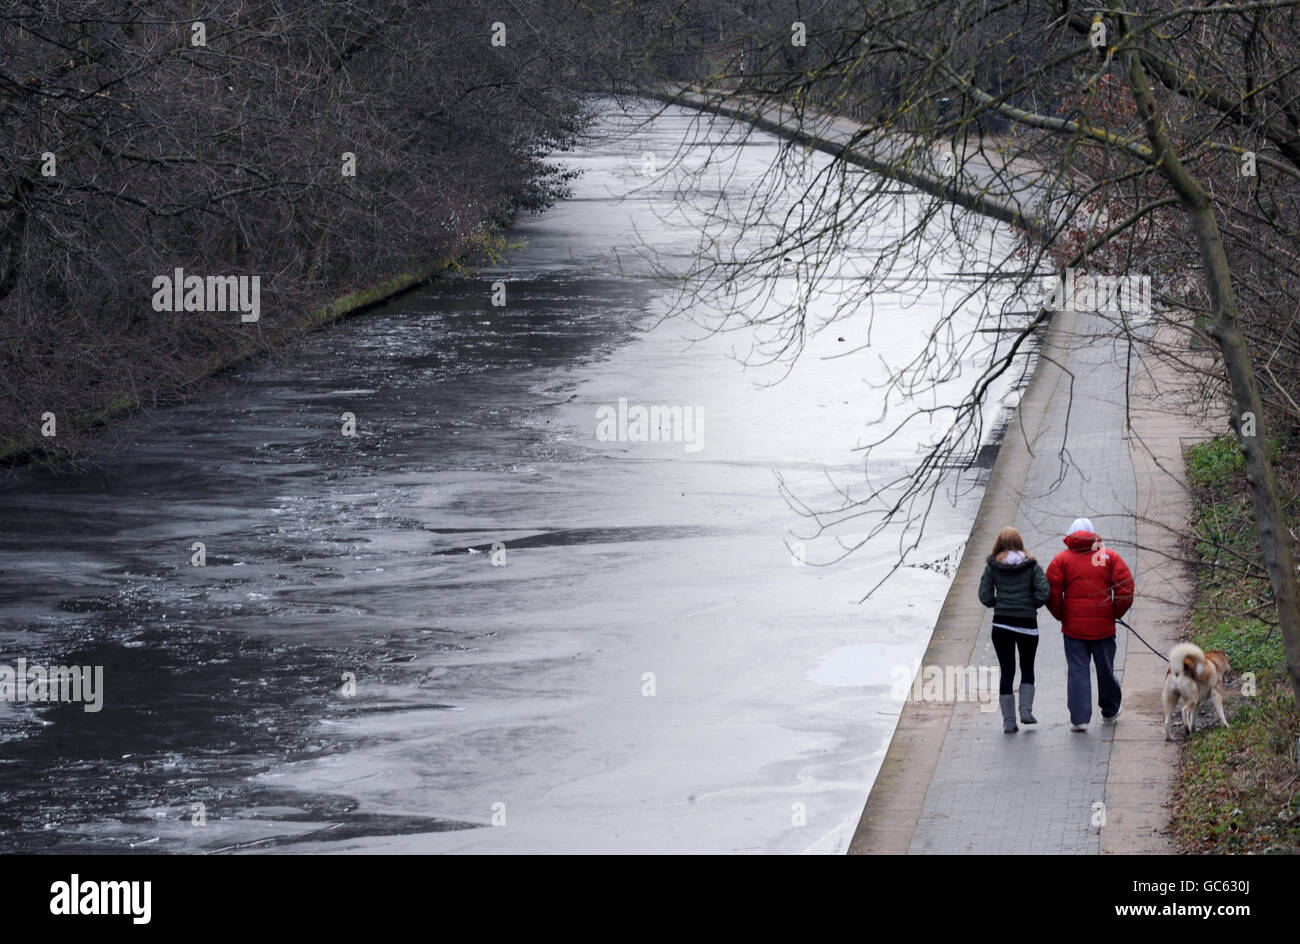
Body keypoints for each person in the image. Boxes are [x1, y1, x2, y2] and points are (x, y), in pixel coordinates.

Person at [1046, 517, 1134, 731]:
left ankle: (1079, 718)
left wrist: (1061, 615)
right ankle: (1110, 710)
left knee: (1078, 671)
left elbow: (1051, 593)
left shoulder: (1061, 560)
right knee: (1105, 669)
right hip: (1103, 628)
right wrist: (1114, 612)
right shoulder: (1107, 557)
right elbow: (1125, 588)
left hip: (1073, 629)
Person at [978, 526, 1050, 733]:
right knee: (1027, 667)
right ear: (1020, 542)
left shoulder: (993, 566)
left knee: (1007, 671)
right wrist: (1031, 605)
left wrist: (997, 604)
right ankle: (1026, 711)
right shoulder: (1031, 565)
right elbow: (1044, 591)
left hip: (1001, 625)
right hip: (1027, 625)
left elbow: (984, 595)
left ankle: (1009, 721)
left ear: (999, 543)